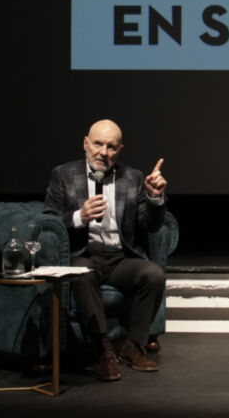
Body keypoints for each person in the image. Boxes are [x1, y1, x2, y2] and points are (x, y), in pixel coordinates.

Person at [43, 119, 168, 381]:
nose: (103, 152)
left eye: (111, 147)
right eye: (98, 144)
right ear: (85, 144)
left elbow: (149, 225)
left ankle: (133, 346)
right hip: (84, 255)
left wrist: (155, 198)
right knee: (82, 274)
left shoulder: (133, 177)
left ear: (120, 150)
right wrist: (79, 217)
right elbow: (49, 223)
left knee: (154, 274)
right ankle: (103, 350)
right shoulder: (63, 175)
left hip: (119, 258)